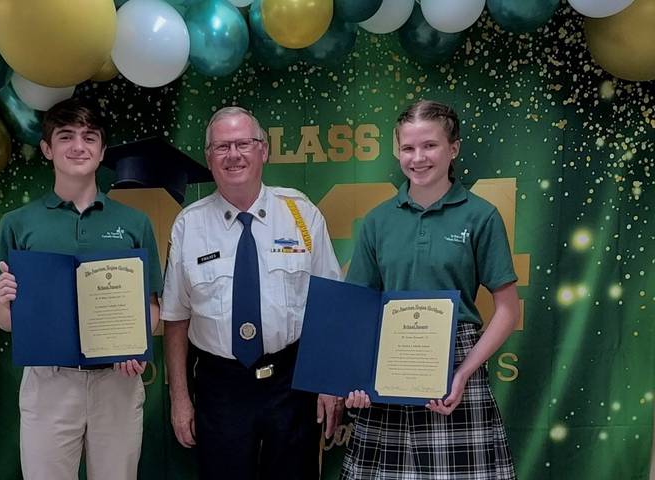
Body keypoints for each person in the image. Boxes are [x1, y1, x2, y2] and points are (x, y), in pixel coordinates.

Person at [161, 106, 343, 480]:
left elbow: (330, 303)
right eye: (222, 146)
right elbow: (176, 318)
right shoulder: (188, 226)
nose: (233, 155)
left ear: (264, 151)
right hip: (220, 386)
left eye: (244, 143)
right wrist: (180, 399)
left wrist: (329, 383)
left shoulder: (301, 214)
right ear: (209, 158)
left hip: (291, 383)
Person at [341, 100, 519, 479]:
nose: (417, 158)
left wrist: (464, 372)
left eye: (430, 146)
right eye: (408, 148)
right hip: (388, 364)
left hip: (457, 365)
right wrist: (356, 379)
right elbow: (357, 309)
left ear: (453, 148)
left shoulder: (480, 215)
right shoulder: (377, 221)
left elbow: (507, 310)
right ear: (397, 151)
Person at [0, 98, 162, 480]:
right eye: (65, 137)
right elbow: (3, 320)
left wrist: (133, 344)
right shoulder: (17, 223)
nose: (78, 146)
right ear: (48, 149)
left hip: (117, 382)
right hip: (49, 382)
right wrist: (6, 303)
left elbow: (151, 308)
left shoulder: (134, 223)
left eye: (89, 137)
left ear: (102, 151)